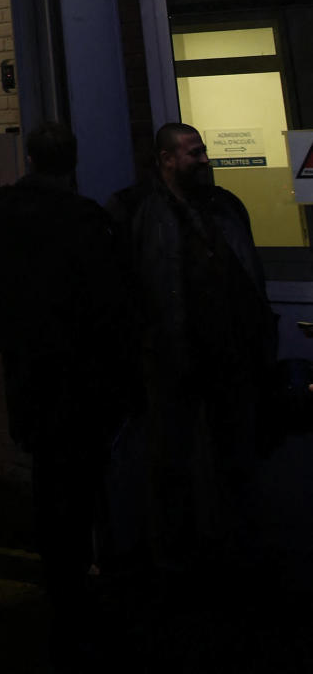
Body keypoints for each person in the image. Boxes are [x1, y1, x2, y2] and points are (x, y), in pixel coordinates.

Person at [0, 122, 129, 661]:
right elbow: (109, 304)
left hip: (32, 371)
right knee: (86, 479)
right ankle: (87, 579)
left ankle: (60, 585)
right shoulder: (87, 219)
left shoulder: (4, 217)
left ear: (28, 160)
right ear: (71, 162)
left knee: (49, 483)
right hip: (83, 373)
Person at [129, 121, 276, 568]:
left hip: (228, 358)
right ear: (167, 159)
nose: (204, 160)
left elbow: (246, 275)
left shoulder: (224, 206)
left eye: (203, 151)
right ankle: (181, 563)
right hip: (175, 362)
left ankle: (236, 555)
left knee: (234, 460)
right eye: (193, 153)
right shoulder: (140, 211)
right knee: (174, 466)